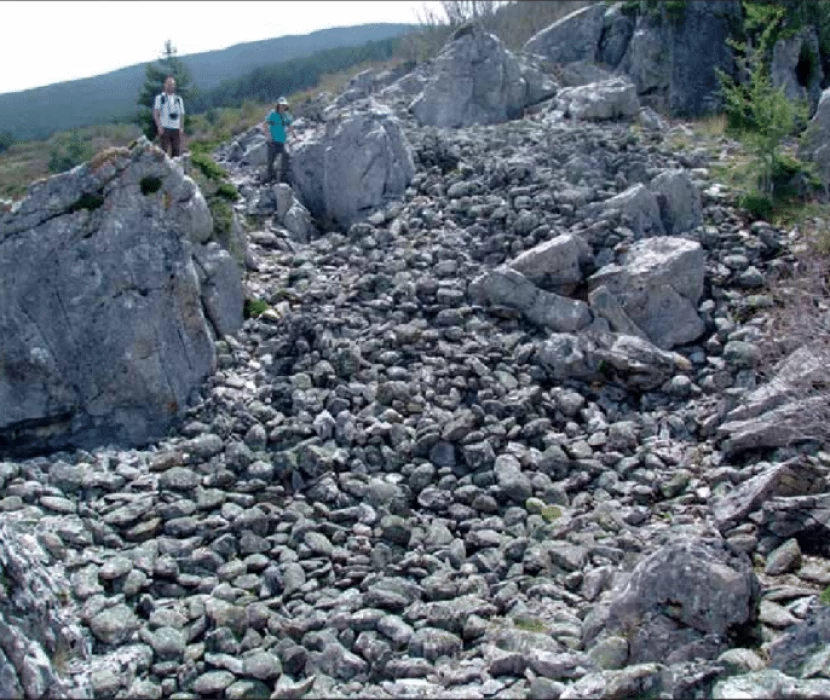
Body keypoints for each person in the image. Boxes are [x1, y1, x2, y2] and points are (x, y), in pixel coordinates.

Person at [262, 96, 297, 183]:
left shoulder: (287, 115)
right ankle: (270, 177)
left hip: (282, 141)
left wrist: (295, 136)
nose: (283, 106)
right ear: (278, 105)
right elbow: (265, 124)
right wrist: (268, 136)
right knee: (271, 160)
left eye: (284, 105)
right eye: (281, 105)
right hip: (272, 141)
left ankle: (282, 176)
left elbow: (290, 126)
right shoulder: (273, 114)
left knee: (286, 155)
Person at [154, 76, 186, 157]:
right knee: (163, 152)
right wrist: (159, 127)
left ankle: (174, 169)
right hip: (165, 127)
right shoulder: (160, 98)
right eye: (168, 84)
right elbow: (156, 113)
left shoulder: (178, 99)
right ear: (165, 85)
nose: (170, 86)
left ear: (174, 86)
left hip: (176, 128)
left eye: (172, 84)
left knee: (176, 151)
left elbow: (182, 114)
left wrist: (181, 127)